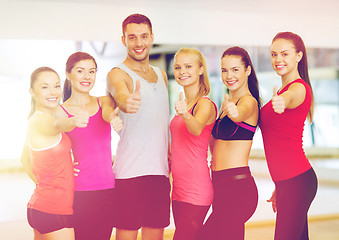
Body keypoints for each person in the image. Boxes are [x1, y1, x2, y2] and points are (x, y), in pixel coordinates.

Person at [106, 13, 170, 240]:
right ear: (123, 40)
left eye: (144, 36)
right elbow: (120, 92)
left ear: (152, 37)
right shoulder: (117, 74)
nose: (139, 43)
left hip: (160, 174)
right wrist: (126, 101)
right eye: (132, 37)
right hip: (129, 174)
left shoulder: (161, 75)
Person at [56, 52, 122, 240]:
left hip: (108, 190)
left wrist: (113, 118)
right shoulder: (61, 112)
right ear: (68, 74)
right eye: (80, 71)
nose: (87, 76)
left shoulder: (104, 101)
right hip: (80, 192)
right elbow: (50, 150)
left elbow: (108, 112)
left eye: (91, 71)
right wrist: (65, 167)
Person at [198, 47, 260, 240]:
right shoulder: (227, 105)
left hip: (238, 189)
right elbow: (214, 144)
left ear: (247, 70)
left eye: (235, 69)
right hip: (220, 186)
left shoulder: (248, 102)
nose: (229, 75)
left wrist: (233, 112)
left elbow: (240, 113)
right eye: (224, 70)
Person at [260, 32, 318, 240]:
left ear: (298, 56)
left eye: (284, 54)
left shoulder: (298, 89)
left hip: (297, 182)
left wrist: (281, 102)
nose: (278, 60)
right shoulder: (286, 88)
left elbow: (290, 98)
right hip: (289, 182)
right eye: (274, 54)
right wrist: (280, 185)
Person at [21, 67, 89, 240]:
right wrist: (73, 121)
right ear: (32, 91)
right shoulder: (40, 120)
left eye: (56, 86)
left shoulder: (33, 120)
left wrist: (55, 175)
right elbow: (56, 125)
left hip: (41, 207)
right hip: (54, 211)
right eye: (45, 87)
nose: (53, 92)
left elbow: (24, 159)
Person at [170, 48, 217, 240]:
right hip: (178, 190)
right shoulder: (184, 104)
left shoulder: (204, 104)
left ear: (200, 70)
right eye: (178, 67)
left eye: (188, 66)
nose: (182, 72)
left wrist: (185, 114)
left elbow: (196, 128)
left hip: (197, 191)